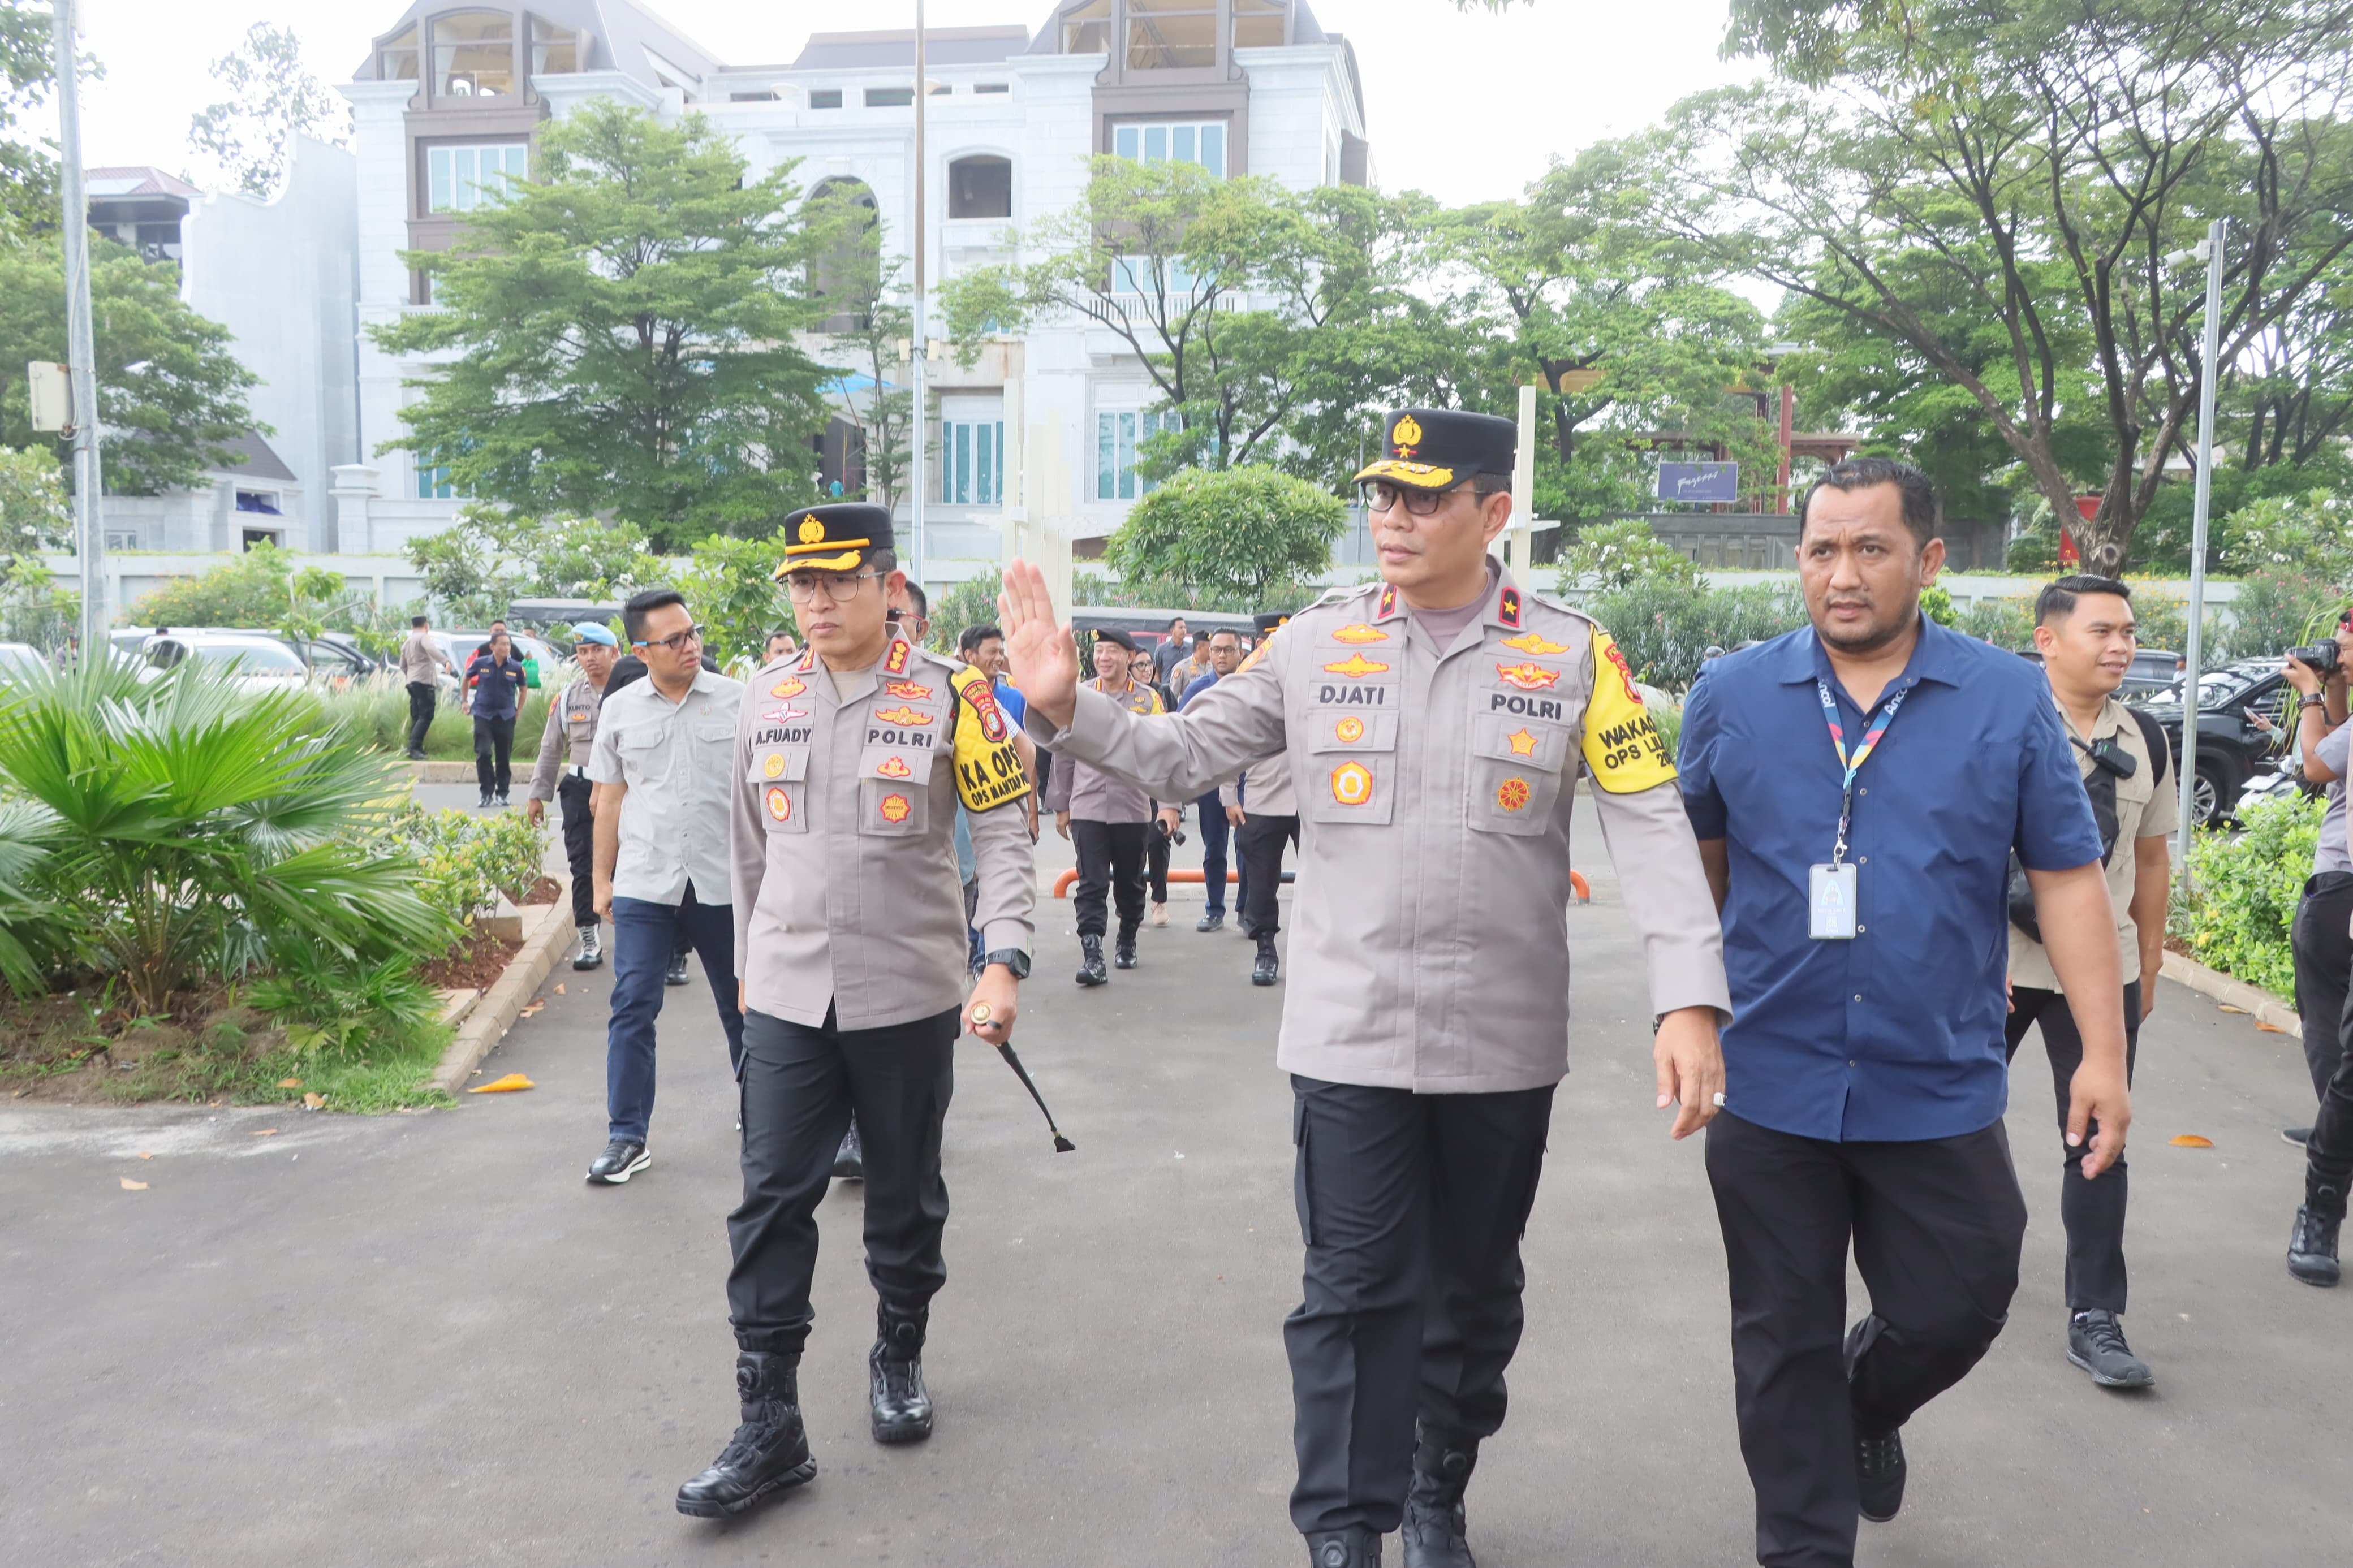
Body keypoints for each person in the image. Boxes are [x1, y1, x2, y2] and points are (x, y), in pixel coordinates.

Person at [1001, 407, 1730, 1568]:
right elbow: (1183, 756)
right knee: (1349, 1290)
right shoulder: (1314, 644)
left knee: (1473, 1293)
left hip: (1500, 1043)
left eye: (1422, 497)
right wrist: (1063, 705)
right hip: (1348, 1038)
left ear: (1492, 513)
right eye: (1381, 495)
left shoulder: (1571, 653)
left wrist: (1687, 997)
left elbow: (1645, 820)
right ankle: (1346, 1529)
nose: (1390, 517)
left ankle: (1438, 1481)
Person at [1677, 457, 2128, 1568]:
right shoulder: (1729, 695)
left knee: (1959, 1299)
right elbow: (1699, 873)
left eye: (1869, 548)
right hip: (1774, 1077)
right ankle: (1802, 1546)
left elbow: (2067, 875)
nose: (1841, 574)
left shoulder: (2006, 697)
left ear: (1927, 559)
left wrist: (2102, 1054)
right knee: (1778, 1342)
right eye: (1821, 548)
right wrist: (1688, 1007)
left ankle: (1864, 1402)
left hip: (1934, 1078)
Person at [676, 504, 1036, 1518]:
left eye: (838, 580)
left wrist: (1001, 958)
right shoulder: (768, 696)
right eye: (802, 583)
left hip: (909, 992)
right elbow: (750, 843)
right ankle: (770, 1423)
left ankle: (898, 1351)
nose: (817, 600)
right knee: (770, 1198)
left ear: (889, 584)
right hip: (789, 992)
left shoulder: (960, 698)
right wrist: (749, 961)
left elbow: (1006, 839)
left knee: (905, 1194)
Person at [2006, 575, 2175, 1385]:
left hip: (2099, 971)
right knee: (1939, 1124)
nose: (2122, 646)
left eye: (2129, 632)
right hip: (1994, 965)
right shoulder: (1995, 718)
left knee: (2100, 1136)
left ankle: (2095, 1314)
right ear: (2048, 638)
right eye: (2103, 631)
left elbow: (2149, 855)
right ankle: (1923, 1285)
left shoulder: (2146, 736)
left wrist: (2149, 957)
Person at [584, 589, 747, 1186]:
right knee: (632, 1006)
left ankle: (761, 1116)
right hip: (646, 882)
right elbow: (609, 799)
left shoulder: (737, 700)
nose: (690, 645)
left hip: (722, 879)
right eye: (674, 639)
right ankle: (626, 1136)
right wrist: (600, 880)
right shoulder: (621, 708)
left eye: (693, 632)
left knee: (743, 1007)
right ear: (641, 649)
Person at [2284, 615, 2353, 1285]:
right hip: (2339, 891)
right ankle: (2323, 1197)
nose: (2338, 651)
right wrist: (2329, 688)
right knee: (2335, 1043)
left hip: (2339, 888)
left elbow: (2312, 763)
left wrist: (2310, 693)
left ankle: (2326, 1180)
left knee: (2336, 1049)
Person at [1045, 628, 1166, 985]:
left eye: (1112, 651)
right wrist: (1062, 805)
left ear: (1129, 657)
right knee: (1091, 882)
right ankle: (1093, 954)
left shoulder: (1148, 700)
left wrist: (1169, 804)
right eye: (1099, 651)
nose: (1103, 658)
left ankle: (1127, 936)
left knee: (1130, 883)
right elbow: (1062, 752)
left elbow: (1166, 750)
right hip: (1088, 806)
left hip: (1132, 806)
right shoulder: (1079, 698)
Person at [526, 622, 622, 970]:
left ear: (615, 652)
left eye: (597, 650)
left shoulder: (633, 690)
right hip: (580, 788)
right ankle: (588, 938)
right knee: (582, 865)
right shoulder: (568, 697)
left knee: (629, 864)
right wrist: (539, 793)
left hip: (625, 791)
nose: (590, 658)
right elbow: (551, 748)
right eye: (583, 652)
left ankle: (635, 938)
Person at [1227, 612, 1302, 984]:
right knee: (1262, 882)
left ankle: (1322, 953)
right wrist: (1229, 795)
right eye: (1269, 642)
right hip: (1263, 798)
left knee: (1325, 881)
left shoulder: (1311, 674)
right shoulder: (1248, 681)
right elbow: (1229, 741)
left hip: (1309, 801)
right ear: (1259, 644)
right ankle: (1266, 950)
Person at [1179, 629, 1247, 932]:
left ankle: (1247, 910)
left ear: (1240, 654)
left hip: (1247, 779)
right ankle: (1215, 909)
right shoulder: (1197, 690)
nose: (1221, 655)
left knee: (1247, 846)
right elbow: (1179, 732)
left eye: (1228, 650)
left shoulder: (1252, 687)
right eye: (1217, 650)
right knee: (1215, 848)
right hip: (1209, 779)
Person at [464, 630, 529, 808]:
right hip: (483, 715)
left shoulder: (516, 667)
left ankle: (503, 793)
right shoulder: (481, 663)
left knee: (504, 757)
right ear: (493, 646)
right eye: (503, 644)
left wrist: (518, 711)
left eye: (508, 644)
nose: (506, 647)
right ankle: (486, 792)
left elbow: (524, 689)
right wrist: (464, 702)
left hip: (506, 716)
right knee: (483, 753)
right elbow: (466, 679)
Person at [399, 613, 456, 759]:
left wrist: (410, 675)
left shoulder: (408, 641)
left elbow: (402, 665)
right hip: (424, 681)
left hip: (411, 681)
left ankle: (416, 748)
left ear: (412, 627)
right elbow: (432, 649)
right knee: (426, 715)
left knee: (417, 716)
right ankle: (413, 748)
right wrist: (445, 661)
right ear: (426, 626)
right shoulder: (424, 637)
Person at [1153, 615, 1191, 688]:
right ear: (1172, 630)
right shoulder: (1161, 649)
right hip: (1168, 690)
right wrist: (1159, 688)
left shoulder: (1191, 648)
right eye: (1181, 628)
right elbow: (1156, 671)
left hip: (1187, 690)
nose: (1184, 630)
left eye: (1185, 627)